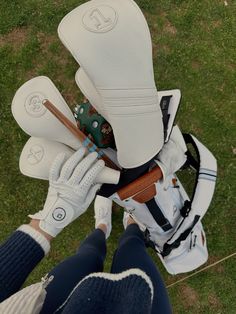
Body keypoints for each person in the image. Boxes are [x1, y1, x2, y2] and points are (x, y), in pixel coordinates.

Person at [0, 147, 172, 313]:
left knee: (89, 254)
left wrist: (50, 221)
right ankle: (132, 222)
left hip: (46, 306)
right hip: (140, 306)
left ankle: (103, 226)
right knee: (133, 246)